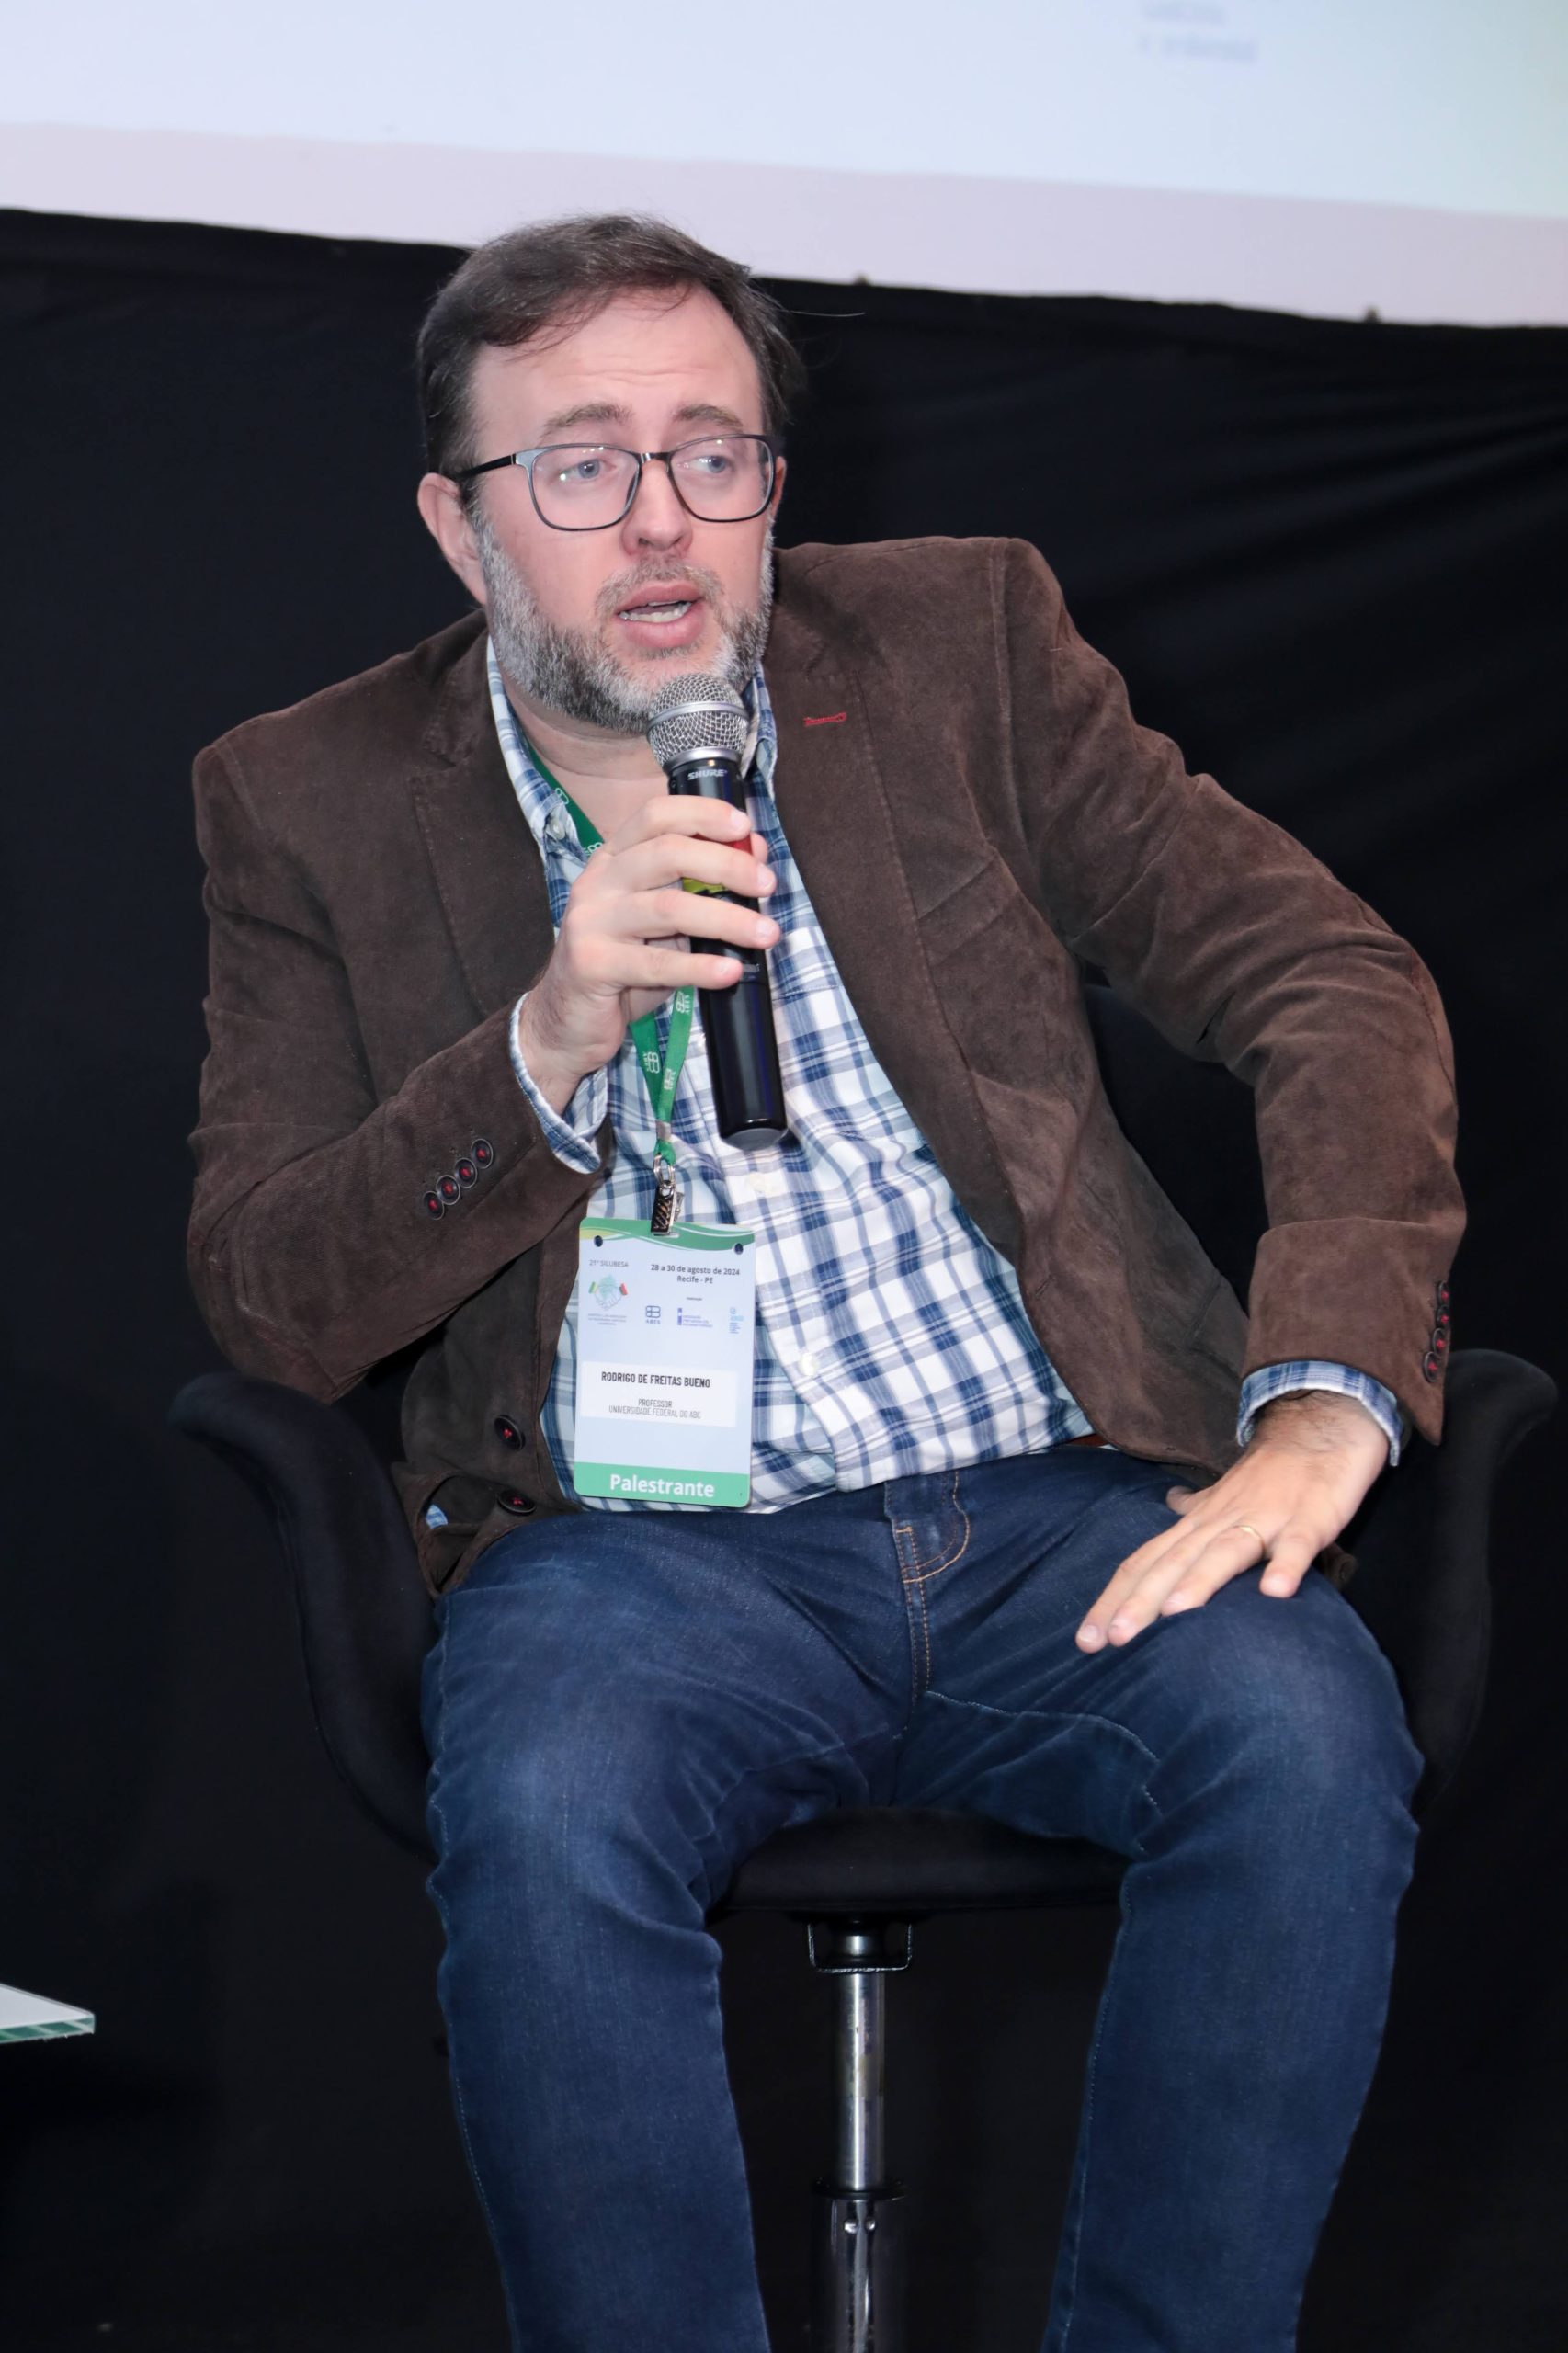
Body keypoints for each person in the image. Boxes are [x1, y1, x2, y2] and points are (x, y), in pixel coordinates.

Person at [187, 214, 1462, 2353]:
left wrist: (1322, 1384)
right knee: (550, 1802)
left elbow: (1326, 975)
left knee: (1302, 1733)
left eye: (714, 452)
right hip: (632, 1558)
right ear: (459, 527)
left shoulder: (959, 643)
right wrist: (543, 1046)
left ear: (776, 483)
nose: (660, 518)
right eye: (580, 463)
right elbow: (270, 1291)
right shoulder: (303, 799)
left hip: (1053, 1504)